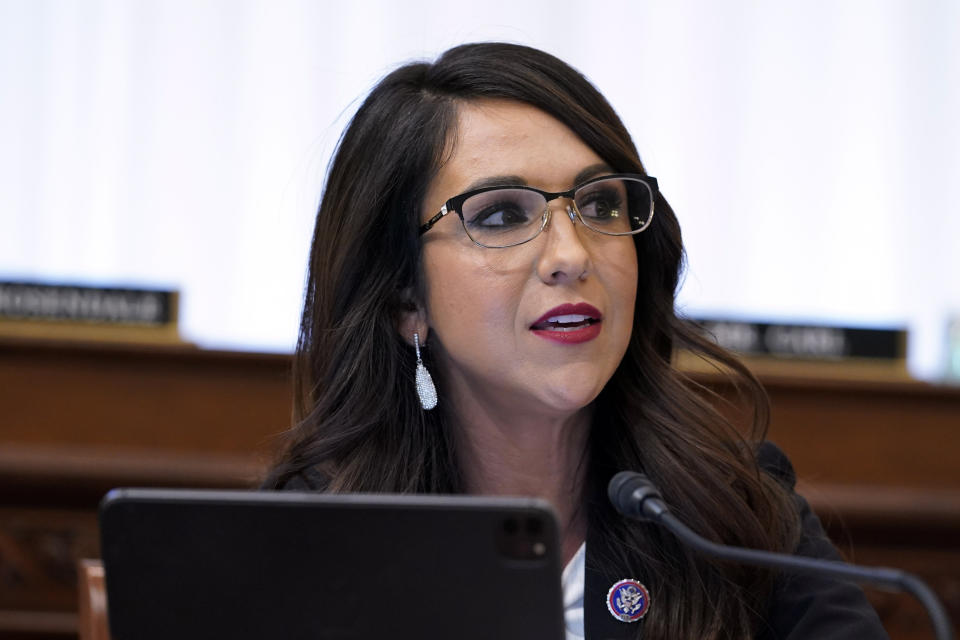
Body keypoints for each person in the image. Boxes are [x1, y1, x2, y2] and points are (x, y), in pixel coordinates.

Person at [262, 42, 888, 639]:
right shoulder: (316, 534)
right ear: (406, 300)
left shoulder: (727, 509)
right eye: (502, 215)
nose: (571, 255)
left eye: (599, 206)